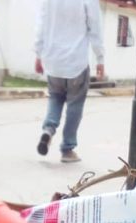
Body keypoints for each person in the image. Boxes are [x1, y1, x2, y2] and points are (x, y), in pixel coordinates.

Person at [34, 0, 105, 163]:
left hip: (53, 61)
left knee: (55, 98)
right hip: (76, 62)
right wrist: (100, 58)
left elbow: (41, 25)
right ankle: (67, 149)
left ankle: (48, 130)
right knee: (75, 106)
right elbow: (95, 28)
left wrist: (38, 54)